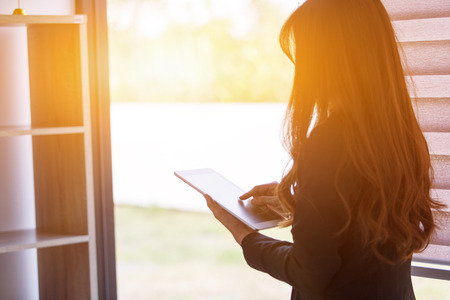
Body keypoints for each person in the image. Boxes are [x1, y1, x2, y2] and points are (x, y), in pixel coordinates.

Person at [204, 0, 445, 299]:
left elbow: (309, 272)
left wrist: (245, 236)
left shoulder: (330, 141)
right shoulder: (399, 134)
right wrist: (299, 207)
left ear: (330, 60)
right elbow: (365, 228)